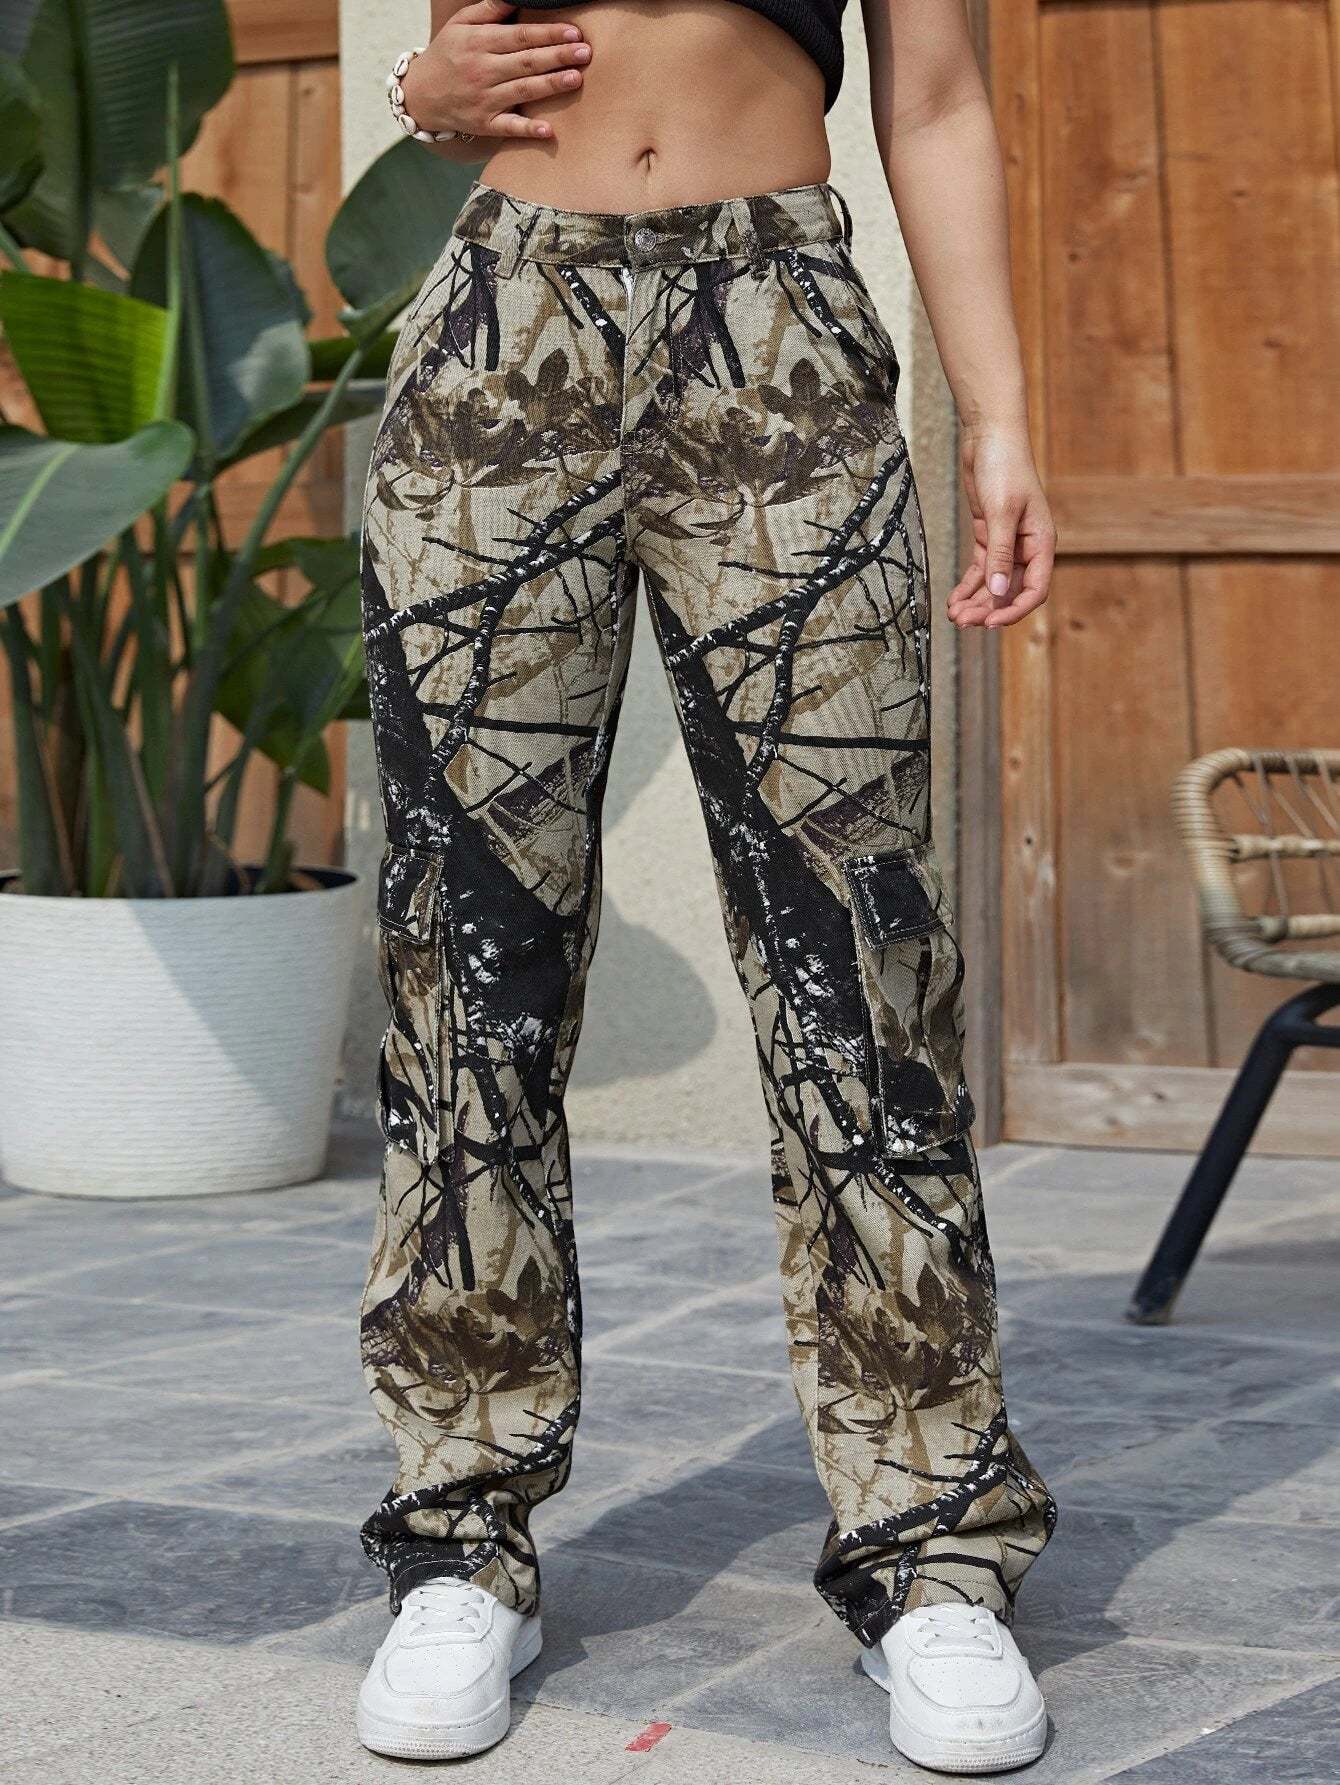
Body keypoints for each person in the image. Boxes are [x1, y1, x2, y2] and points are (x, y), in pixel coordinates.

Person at [354, 0, 1058, 1769]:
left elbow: (939, 100)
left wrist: (997, 415)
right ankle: (460, 1535)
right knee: (467, 963)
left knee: (862, 964)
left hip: (779, 334)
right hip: (502, 331)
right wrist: (423, 89)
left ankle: (931, 1547)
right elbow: (460, 60)